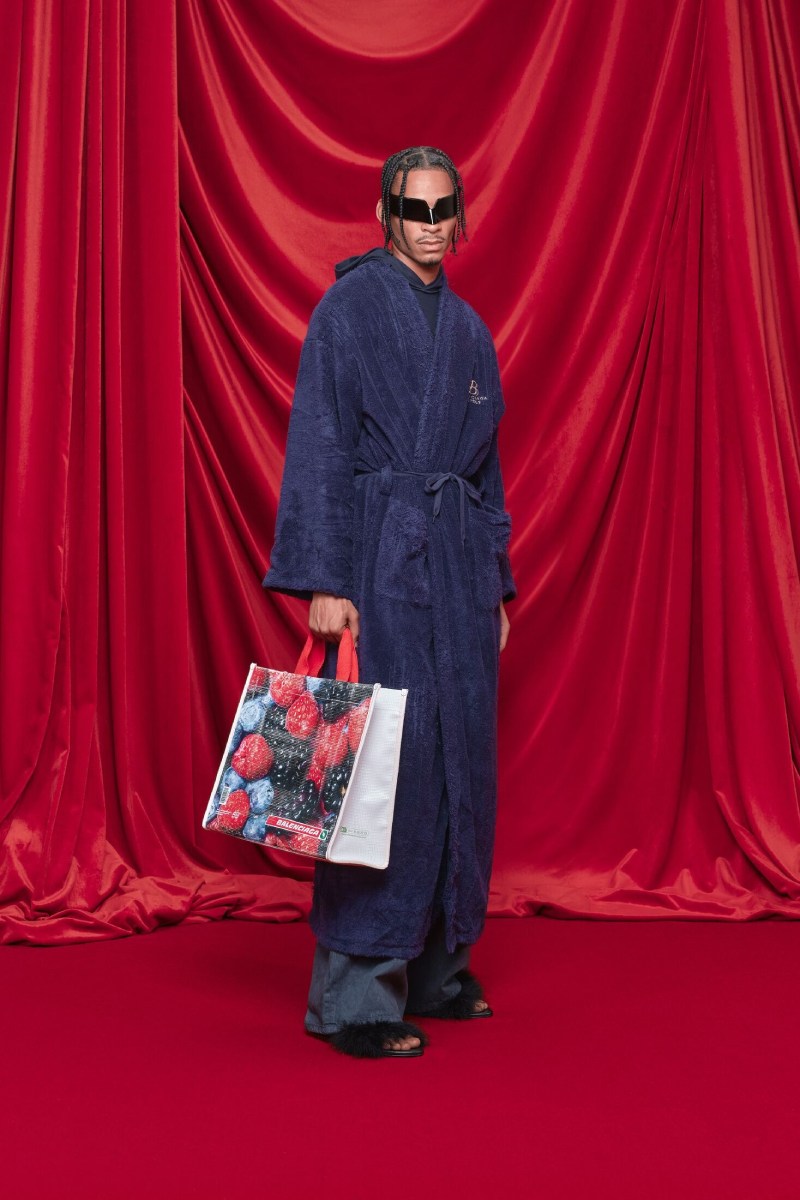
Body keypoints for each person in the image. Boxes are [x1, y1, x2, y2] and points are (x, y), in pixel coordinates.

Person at [263, 145, 516, 1058]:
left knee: (460, 761)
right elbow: (320, 444)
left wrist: (497, 581)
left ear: (460, 215)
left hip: (458, 567)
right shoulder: (347, 312)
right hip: (379, 558)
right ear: (384, 214)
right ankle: (355, 998)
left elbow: (486, 472)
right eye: (414, 209)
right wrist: (326, 581)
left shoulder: (472, 332)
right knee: (383, 768)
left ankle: (439, 966)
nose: (430, 226)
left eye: (444, 210)